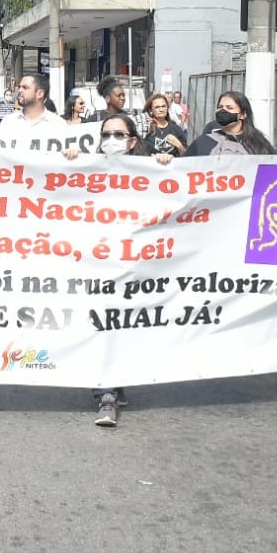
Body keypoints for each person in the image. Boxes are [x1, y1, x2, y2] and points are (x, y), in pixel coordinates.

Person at [81, 112, 174, 428]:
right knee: (102, 324)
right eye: (106, 135)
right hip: (98, 265)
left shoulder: (149, 171)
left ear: (133, 141)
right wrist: (67, 162)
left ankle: (114, 384)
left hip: (137, 265)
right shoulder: (86, 170)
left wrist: (166, 164)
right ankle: (105, 393)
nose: (111, 141)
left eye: (119, 135)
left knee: (122, 326)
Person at [187, 90, 275, 156]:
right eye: (220, 107)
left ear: (243, 114)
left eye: (229, 108)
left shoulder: (259, 143)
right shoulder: (204, 142)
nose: (223, 110)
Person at [0, 72, 67, 134]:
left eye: (25, 87)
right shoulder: (8, 122)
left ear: (40, 93)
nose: (19, 90)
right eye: (19, 87)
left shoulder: (58, 125)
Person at [144, 92, 188, 157]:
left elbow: (187, 156)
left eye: (163, 106)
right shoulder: (146, 130)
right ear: (151, 110)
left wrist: (179, 145)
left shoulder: (176, 129)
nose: (161, 109)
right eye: (157, 107)